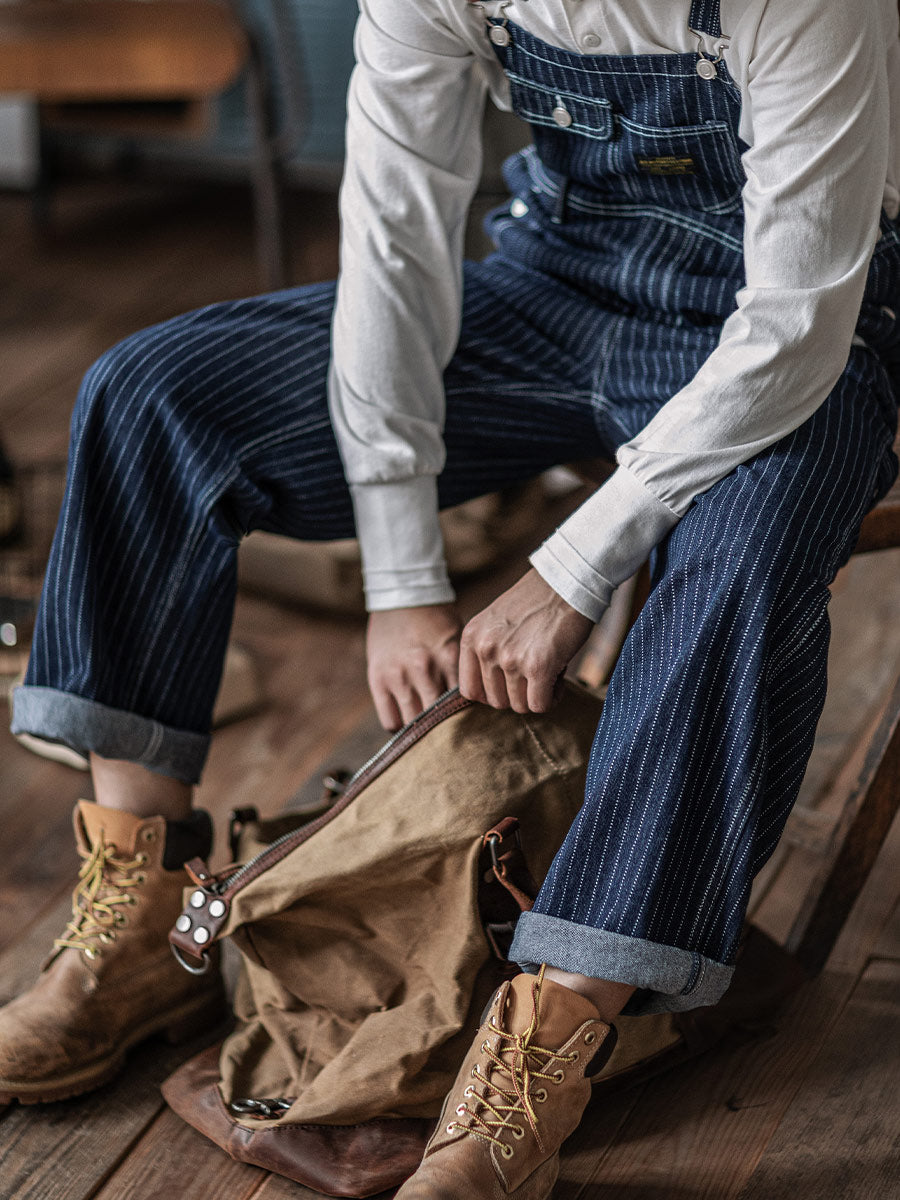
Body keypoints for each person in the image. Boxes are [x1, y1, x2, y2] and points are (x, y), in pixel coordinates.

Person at [2, 0, 898, 1190]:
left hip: (807, 328)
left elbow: (796, 324)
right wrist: (402, 575)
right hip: (560, 279)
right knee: (152, 398)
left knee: (743, 550)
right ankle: (138, 919)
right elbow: (396, 235)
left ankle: (547, 1048)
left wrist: (569, 568)